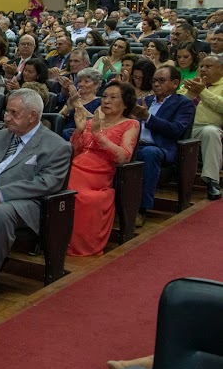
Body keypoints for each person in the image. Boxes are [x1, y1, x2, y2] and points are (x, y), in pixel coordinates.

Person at [0, 89, 72, 307]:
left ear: (33, 116)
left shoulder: (57, 146)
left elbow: (47, 184)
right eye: (6, 111)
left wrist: (2, 195)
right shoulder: (0, 136)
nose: (6, 117)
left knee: (0, 214)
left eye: (13, 113)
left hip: (25, 202)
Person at [67, 82, 141, 256]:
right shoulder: (92, 121)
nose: (106, 101)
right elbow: (74, 150)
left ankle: (75, 244)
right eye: (105, 96)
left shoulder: (131, 124)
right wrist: (78, 131)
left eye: (113, 97)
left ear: (125, 103)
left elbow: (124, 156)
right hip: (76, 165)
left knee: (81, 196)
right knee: (56, 187)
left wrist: (99, 136)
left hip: (98, 173)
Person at [131, 66, 196, 226]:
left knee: (149, 153)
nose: (156, 84)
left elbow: (176, 130)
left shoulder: (183, 104)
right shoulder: (143, 101)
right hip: (134, 145)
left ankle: (142, 209)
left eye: (161, 80)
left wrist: (148, 117)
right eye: (154, 81)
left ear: (175, 83)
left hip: (161, 148)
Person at [181, 55, 223, 200]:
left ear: (221, 69)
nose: (203, 69)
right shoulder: (192, 83)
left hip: (205, 128)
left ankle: (212, 181)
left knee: (211, 133)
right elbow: (177, 104)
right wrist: (190, 92)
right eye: (202, 66)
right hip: (183, 127)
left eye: (208, 66)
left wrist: (202, 91)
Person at [58, 68, 103, 140]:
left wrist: (77, 104)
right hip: (64, 130)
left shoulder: (100, 102)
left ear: (97, 85)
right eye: (80, 81)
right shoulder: (74, 98)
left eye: (86, 81)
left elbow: (96, 121)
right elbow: (58, 117)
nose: (81, 84)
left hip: (84, 134)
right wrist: (68, 109)